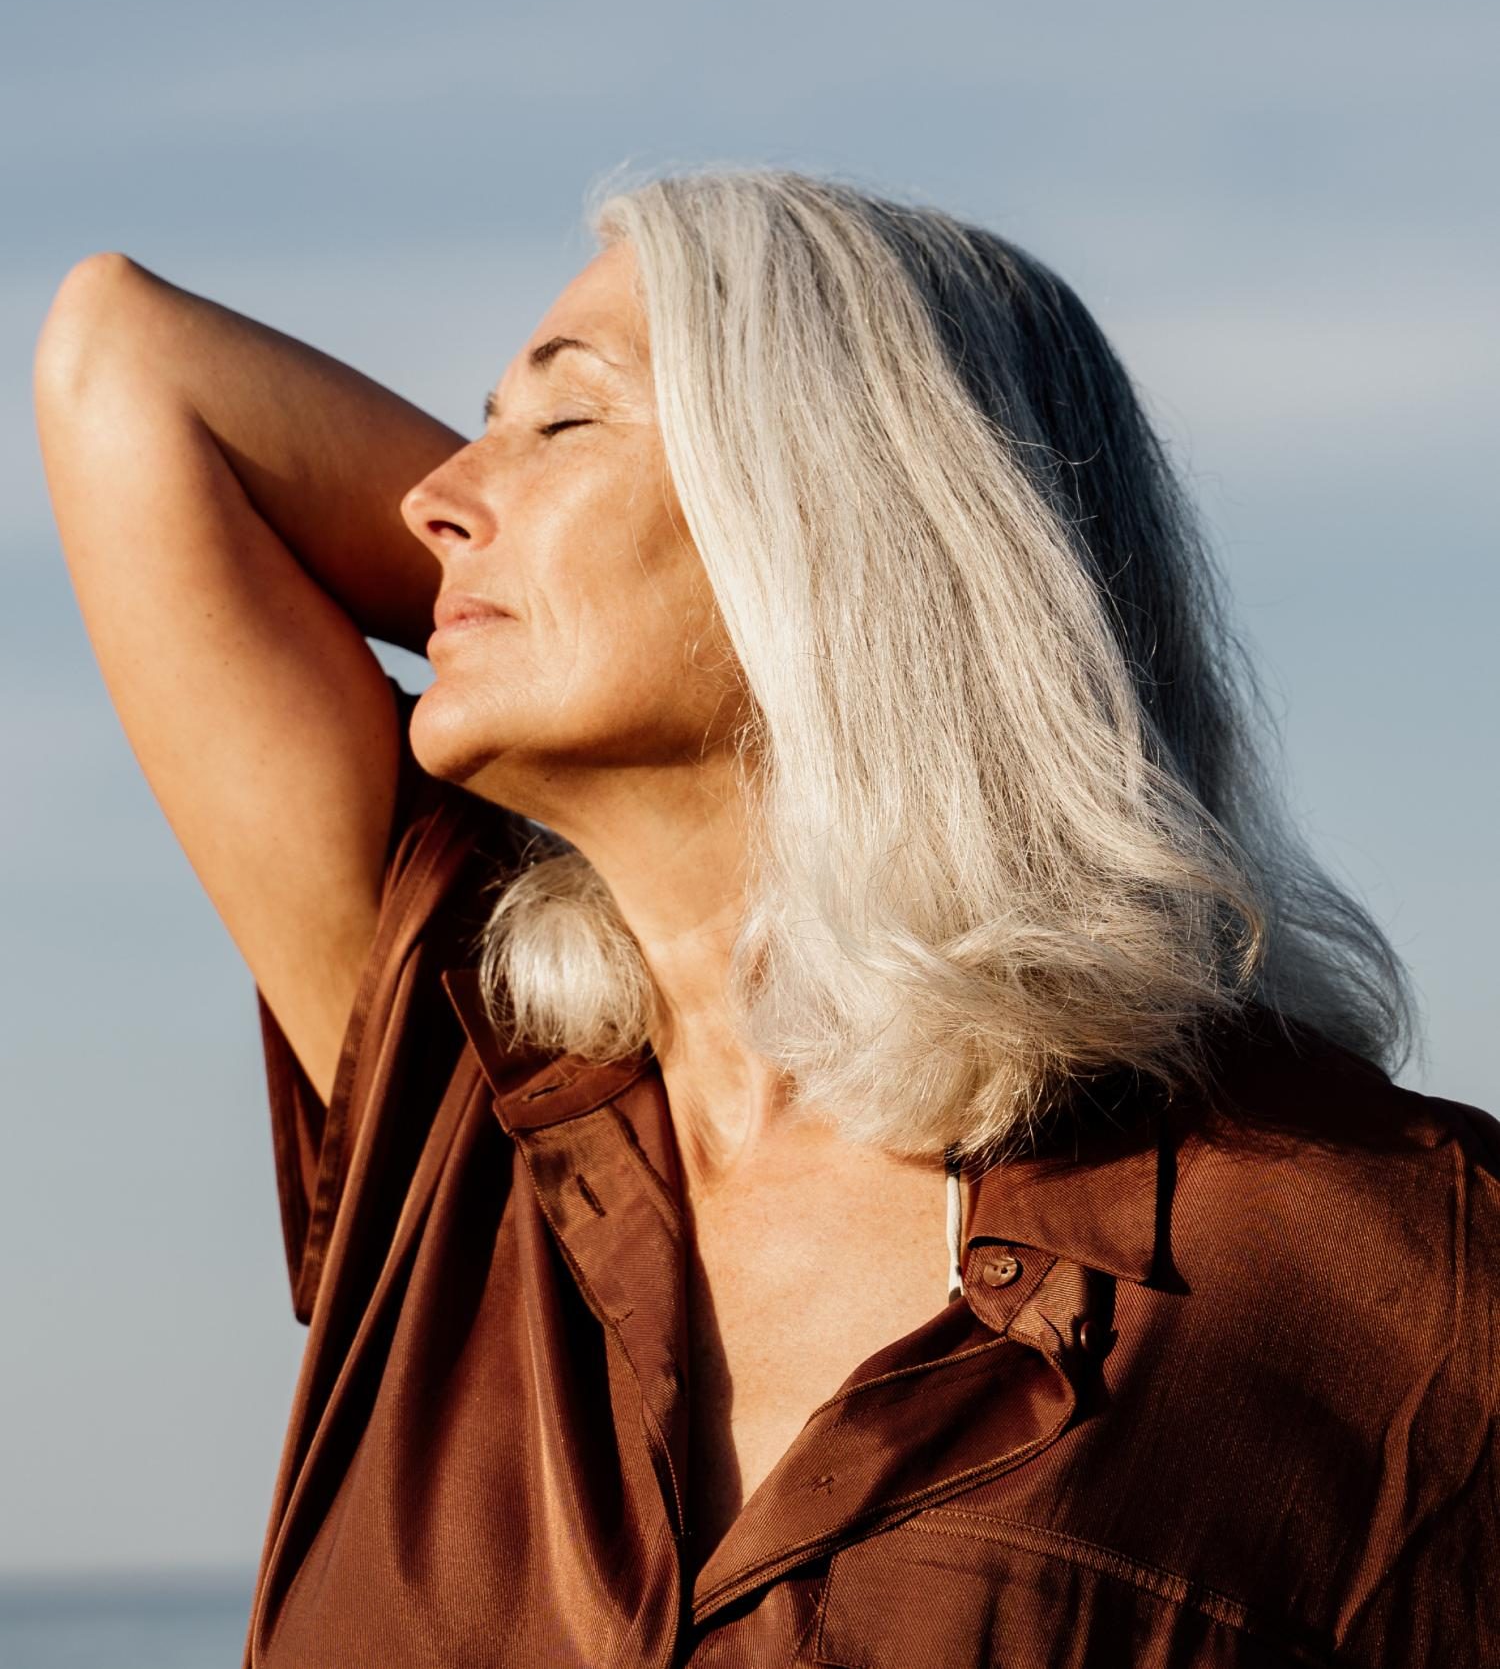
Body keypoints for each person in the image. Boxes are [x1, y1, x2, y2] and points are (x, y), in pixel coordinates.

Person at [34, 165, 1496, 1667]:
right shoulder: (461, 1070)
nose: (432, 506)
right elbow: (122, 359)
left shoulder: (1404, 1265)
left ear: (837, 514)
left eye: (563, 419)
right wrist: (545, 582)